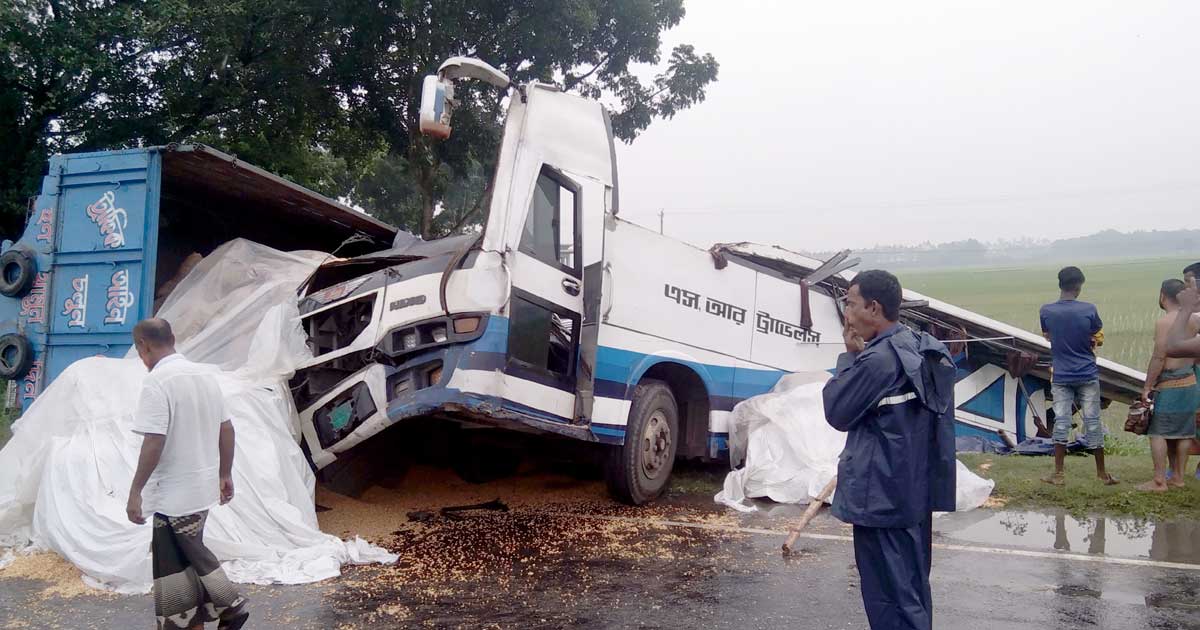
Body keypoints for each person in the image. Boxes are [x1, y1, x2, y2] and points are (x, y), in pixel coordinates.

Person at [823, 270, 957, 630]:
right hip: (912, 494)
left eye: (850, 304)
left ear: (874, 307)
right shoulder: (918, 346)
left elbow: (837, 410)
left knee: (888, 599)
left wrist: (849, 358)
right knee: (910, 591)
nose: (846, 315)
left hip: (880, 497)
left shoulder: (879, 361)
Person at [125, 319, 249, 630]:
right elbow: (227, 428)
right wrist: (225, 473)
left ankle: (231, 605)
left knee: (186, 553)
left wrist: (135, 490)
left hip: (173, 493)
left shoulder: (157, 382)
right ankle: (193, 623)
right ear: (174, 338)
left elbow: (154, 440)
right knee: (179, 565)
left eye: (139, 350)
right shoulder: (204, 375)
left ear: (143, 346)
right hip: (201, 486)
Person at [1038, 266, 1117, 486]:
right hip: (1087, 373)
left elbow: (1047, 336)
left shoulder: (1046, 311)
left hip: (1061, 374)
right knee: (1093, 421)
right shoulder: (1089, 309)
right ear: (1079, 286)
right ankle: (1102, 474)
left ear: (1060, 284)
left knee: (1061, 421)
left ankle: (1058, 474)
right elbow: (1095, 333)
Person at [1138, 280, 1199, 491]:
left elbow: (1159, 357)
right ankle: (1178, 477)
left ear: (1163, 296)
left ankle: (1159, 480)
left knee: (1158, 432)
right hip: (1191, 382)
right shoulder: (1194, 319)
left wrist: (1147, 386)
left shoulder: (1164, 322)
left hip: (1170, 383)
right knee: (1184, 432)